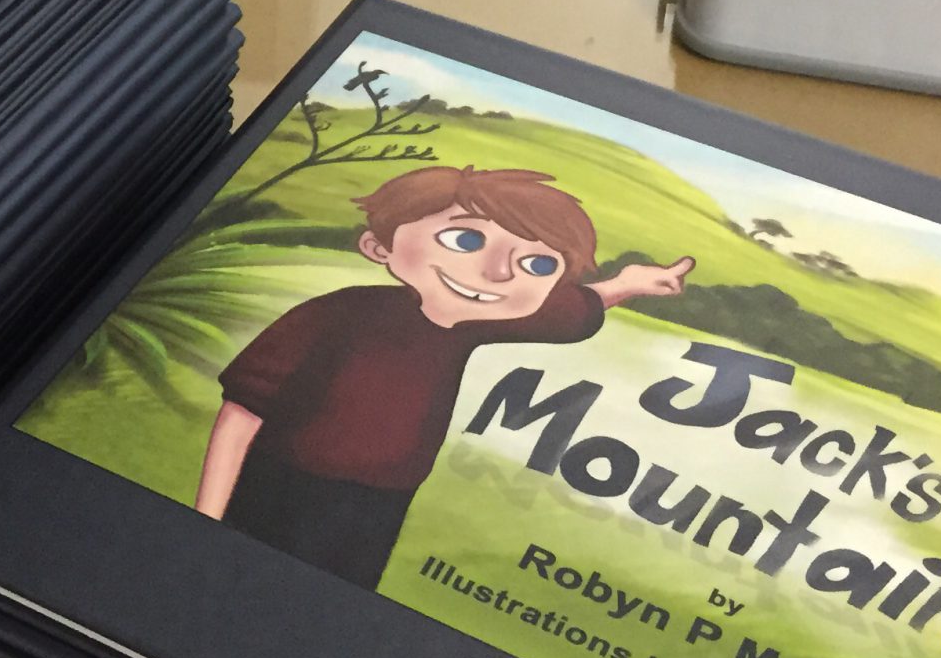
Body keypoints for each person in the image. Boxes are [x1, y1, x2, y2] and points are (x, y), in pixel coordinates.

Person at [193, 164, 693, 588]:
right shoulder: (336, 314)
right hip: (287, 482)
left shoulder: (469, 326)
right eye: (464, 239)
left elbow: (562, 314)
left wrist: (625, 284)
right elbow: (241, 415)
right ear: (378, 247)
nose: (498, 273)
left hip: (383, 501)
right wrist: (203, 521)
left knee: (330, 601)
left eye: (538, 264)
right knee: (235, 583)